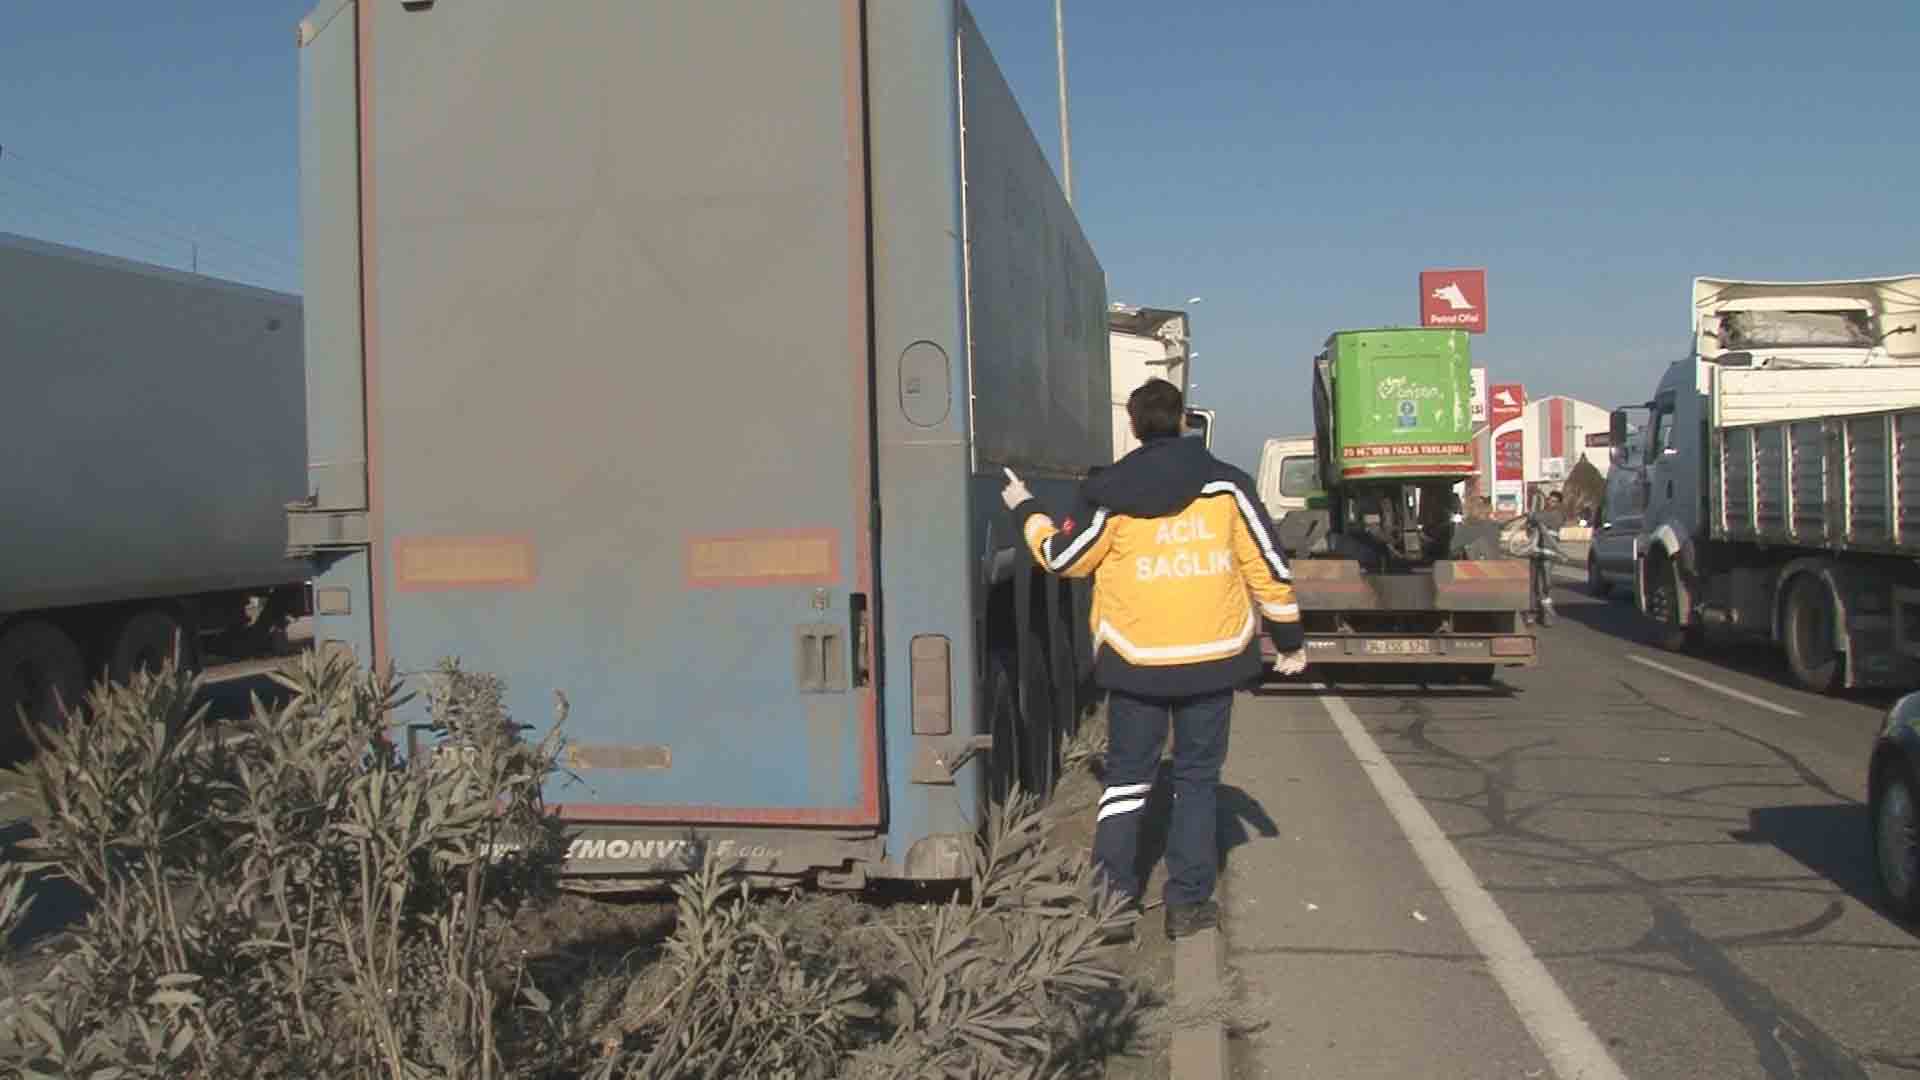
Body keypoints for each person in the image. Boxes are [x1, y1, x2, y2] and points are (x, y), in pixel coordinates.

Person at [999, 379, 1306, 941]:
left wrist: (1028, 510)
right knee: (1196, 781)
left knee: (1127, 782)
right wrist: (1289, 641)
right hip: (1212, 659)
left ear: (1136, 426)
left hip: (1135, 662)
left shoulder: (1108, 492)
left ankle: (1112, 906)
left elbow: (1063, 559)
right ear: (1184, 421)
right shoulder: (1228, 487)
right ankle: (1187, 905)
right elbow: (1268, 567)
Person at [1528, 491, 1568, 625]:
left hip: (1548, 554)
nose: (1550, 503)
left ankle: (1546, 615)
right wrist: (1532, 517)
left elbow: (1536, 519)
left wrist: (1532, 514)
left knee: (1545, 585)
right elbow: (1530, 524)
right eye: (1549, 500)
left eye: (1553, 501)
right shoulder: (1542, 513)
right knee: (1533, 584)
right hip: (1536, 552)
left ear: (1558, 504)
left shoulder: (1558, 515)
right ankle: (1533, 613)